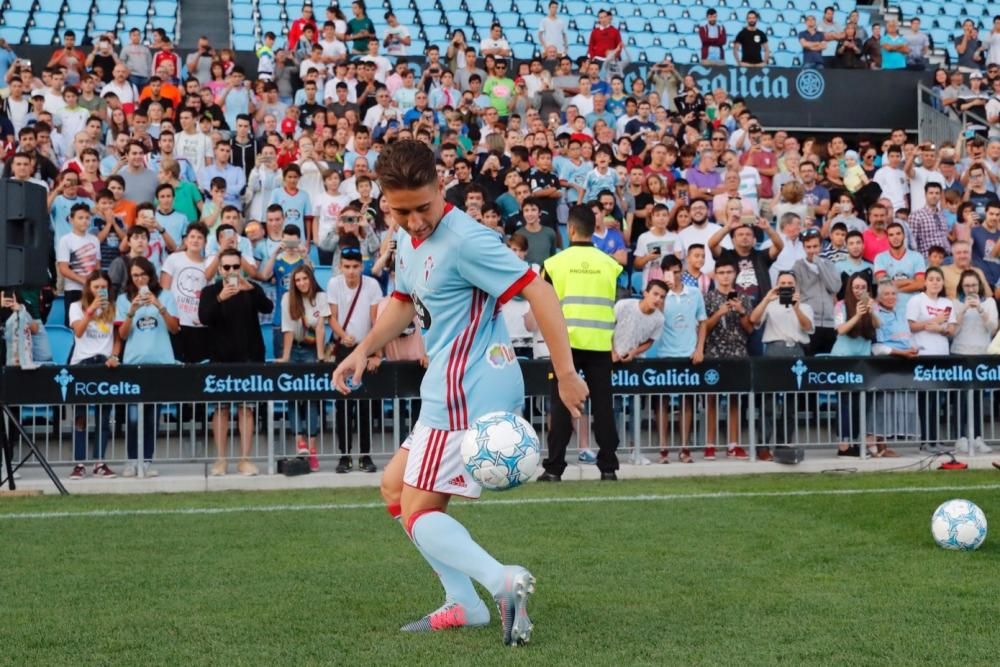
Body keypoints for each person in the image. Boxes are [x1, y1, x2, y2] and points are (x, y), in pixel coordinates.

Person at [331, 141, 588, 643]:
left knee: (420, 512)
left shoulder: (468, 239)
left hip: (468, 390)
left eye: (423, 207)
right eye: (401, 211)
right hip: (445, 387)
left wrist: (567, 371)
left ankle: (501, 581)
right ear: (385, 199)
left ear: (440, 187)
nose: (414, 220)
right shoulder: (405, 238)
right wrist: (363, 349)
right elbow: (405, 303)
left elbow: (539, 289)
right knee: (392, 489)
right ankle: (463, 602)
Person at [538, 204, 621, 479]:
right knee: (603, 407)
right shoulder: (611, 264)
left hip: (566, 346)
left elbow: (544, 306)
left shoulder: (553, 264)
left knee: (561, 406)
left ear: (570, 228)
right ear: (592, 230)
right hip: (599, 344)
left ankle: (554, 469)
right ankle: (608, 468)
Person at [198, 248, 273, 477]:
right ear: (220, 270)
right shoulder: (210, 291)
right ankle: (220, 460)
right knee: (221, 410)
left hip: (249, 357)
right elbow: (204, 318)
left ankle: (245, 459)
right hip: (220, 358)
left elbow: (268, 308)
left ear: (241, 267)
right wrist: (221, 298)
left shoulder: (251, 288)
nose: (231, 271)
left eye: (235, 267)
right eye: (227, 267)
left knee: (246, 410)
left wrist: (250, 289)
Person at [115, 257, 180, 478]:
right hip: (135, 363)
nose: (140, 279)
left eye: (143, 274)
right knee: (133, 416)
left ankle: (148, 460)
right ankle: (132, 459)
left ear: (151, 275)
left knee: (153, 415)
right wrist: (132, 311)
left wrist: (159, 306)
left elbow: (174, 329)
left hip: (160, 362)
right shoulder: (123, 300)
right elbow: (122, 335)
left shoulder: (166, 296)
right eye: (135, 275)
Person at [327, 243, 382, 474]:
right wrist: (342, 336)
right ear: (340, 267)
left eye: (355, 266)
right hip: (343, 349)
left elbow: (376, 320)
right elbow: (332, 317)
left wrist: (375, 352)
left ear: (362, 266)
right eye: (347, 267)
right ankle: (345, 455)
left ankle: (366, 455)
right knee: (343, 405)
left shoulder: (372, 285)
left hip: (365, 347)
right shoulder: (334, 284)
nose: (351, 271)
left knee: (365, 406)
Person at [68, 270, 121, 480]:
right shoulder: (75, 307)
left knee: (104, 416)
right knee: (80, 416)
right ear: (89, 287)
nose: (100, 290)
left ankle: (100, 462)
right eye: (96, 286)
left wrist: (115, 357)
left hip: (104, 364)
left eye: (103, 287)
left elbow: (117, 339)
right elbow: (78, 332)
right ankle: (79, 463)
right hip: (82, 363)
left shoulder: (114, 309)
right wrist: (90, 311)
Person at [703, 257, 754, 459]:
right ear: (716, 275)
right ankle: (710, 444)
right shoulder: (708, 298)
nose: (725, 277)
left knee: (735, 400)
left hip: (738, 353)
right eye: (721, 273)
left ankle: (734, 444)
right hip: (714, 352)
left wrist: (741, 312)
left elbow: (750, 329)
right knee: (712, 399)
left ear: (735, 274)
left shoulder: (744, 298)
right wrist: (719, 313)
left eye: (728, 272)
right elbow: (703, 328)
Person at [831, 273, 879, 457]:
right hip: (844, 358)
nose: (859, 290)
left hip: (863, 359)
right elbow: (840, 329)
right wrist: (857, 315)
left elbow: (878, 325)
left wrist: (870, 311)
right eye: (856, 287)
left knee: (861, 402)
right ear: (850, 288)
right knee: (845, 402)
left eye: (863, 287)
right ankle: (844, 444)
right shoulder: (841, 305)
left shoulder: (872, 304)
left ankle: (856, 440)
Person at [951, 270, 997, 455]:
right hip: (960, 353)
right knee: (960, 398)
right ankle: (960, 438)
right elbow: (952, 330)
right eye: (967, 285)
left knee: (978, 399)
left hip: (981, 354)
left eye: (974, 285)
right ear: (961, 287)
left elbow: (993, 328)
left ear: (979, 286)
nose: (971, 289)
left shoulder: (989, 302)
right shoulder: (955, 303)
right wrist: (963, 309)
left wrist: (980, 309)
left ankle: (978, 437)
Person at [792, 228, 842, 355]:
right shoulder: (798, 266)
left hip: (829, 322)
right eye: (808, 247)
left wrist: (820, 264)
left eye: (815, 246)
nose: (812, 250)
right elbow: (796, 293)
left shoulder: (829, 265)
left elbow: (835, 288)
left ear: (821, 246)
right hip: (810, 323)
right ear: (803, 248)